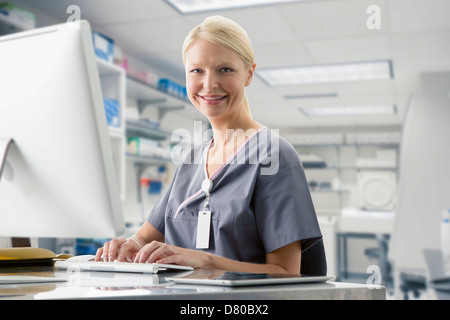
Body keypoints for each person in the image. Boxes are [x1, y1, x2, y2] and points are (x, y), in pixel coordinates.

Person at [95, 16, 322, 275]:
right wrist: (127, 245)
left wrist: (206, 261)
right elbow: (143, 238)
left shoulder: (274, 155)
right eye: (197, 70)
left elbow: (286, 273)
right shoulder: (191, 160)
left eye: (225, 69)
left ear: (248, 74)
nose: (209, 84)